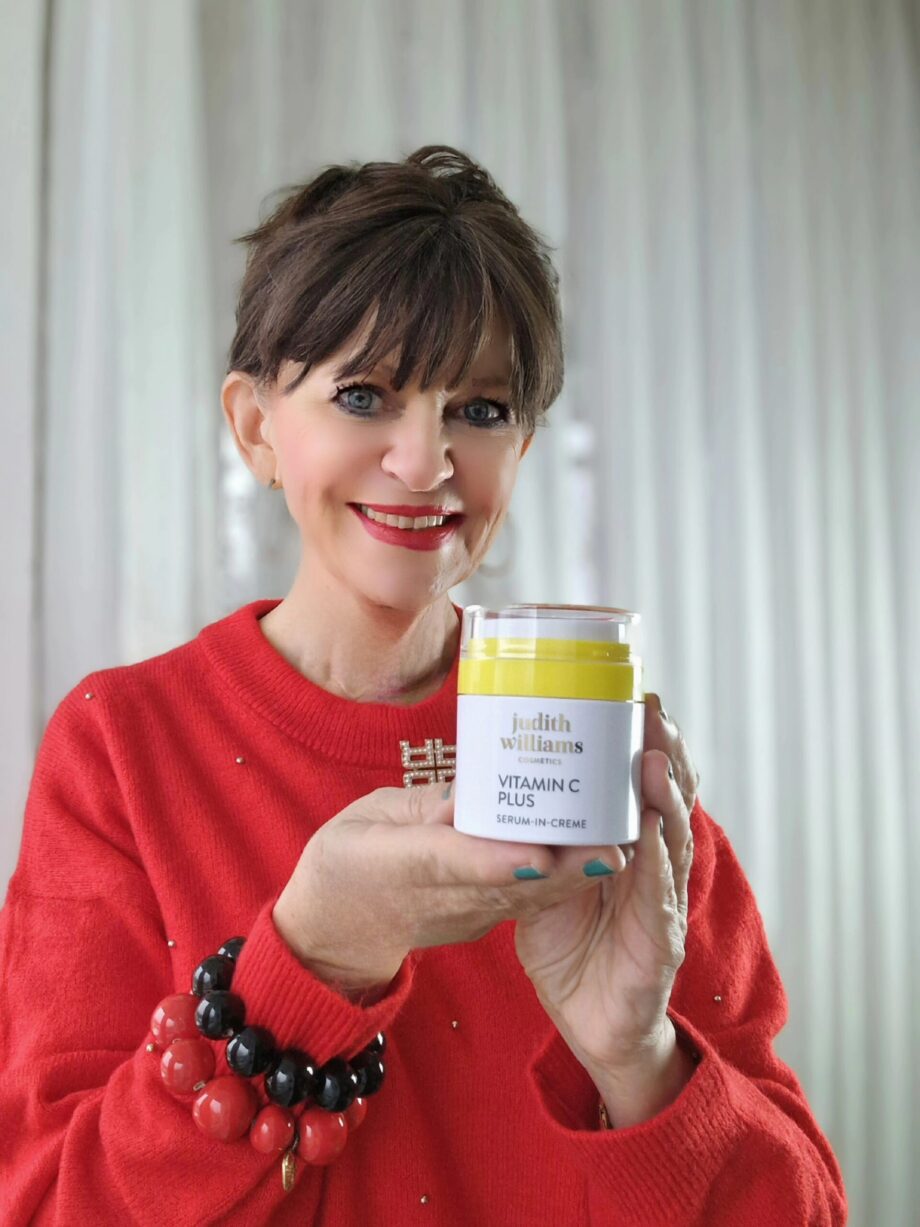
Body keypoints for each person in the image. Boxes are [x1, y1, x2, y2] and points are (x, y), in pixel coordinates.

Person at [0, 145, 847, 1226]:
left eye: (479, 410)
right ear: (255, 426)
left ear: (524, 447)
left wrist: (636, 1058)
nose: (425, 460)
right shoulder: (123, 746)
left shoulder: (596, 758)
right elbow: (48, 1202)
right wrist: (309, 958)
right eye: (364, 395)